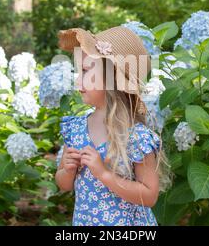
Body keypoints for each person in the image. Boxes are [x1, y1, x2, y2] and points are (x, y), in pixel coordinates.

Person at [54, 26, 172, 226]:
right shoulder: (76, 129)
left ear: (113, 78)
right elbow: (64, 185)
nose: (78, 80)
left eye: (85, 71)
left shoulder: (136, 137)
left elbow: (149, 196)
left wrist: (104, 174)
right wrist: (67, 169)